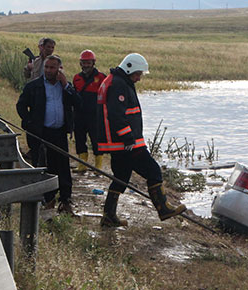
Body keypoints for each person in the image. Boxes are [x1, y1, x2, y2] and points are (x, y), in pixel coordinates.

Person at [96, 53, 186, 227]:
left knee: (121, 176)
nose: (139, 78)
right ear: (129, 68)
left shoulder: (118, 81)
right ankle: (163, 209)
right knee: (153, 171)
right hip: (126, 143)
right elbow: (116, 115)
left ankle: (108, 216)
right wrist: (127, 137)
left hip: (120, 143)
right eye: (137, 74)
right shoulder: (119, 84)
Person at [17, 55, 81, 215]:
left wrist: (66, 85)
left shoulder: (65, 86)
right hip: (41, 133)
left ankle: (65, 201)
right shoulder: (34, 86)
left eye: (52, 67)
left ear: (59, 69)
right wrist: (29, 123)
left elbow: (78, 103)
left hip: (60, 132)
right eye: (46, 67)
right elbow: (21, 106)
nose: (48, 70)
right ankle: (48, 200)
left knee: (63, 167)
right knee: (46, 167)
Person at [73, 50, 106, 171]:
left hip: (95, 116)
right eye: (83, 62)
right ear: (80, 63)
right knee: (80, 140)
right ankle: (82, 165)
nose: (86, 65)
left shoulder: (102, 77)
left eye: (88, 62)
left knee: (96, 140)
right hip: (79, 115)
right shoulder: (76, 78)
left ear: (93, 62)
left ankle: (98, 166)